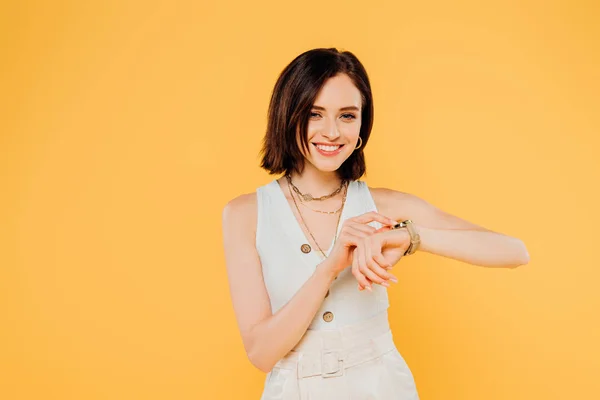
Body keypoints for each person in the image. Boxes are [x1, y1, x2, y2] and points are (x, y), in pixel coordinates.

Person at [221, 47, 530, 400]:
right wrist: (330, 267)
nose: (332, 131)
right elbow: (261, 353)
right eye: (314, 114)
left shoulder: (385, 205)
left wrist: (410, 237)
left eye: (348, 116)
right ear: (287, 115)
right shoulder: (245, 213)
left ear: (362, 126)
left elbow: (515, 252)